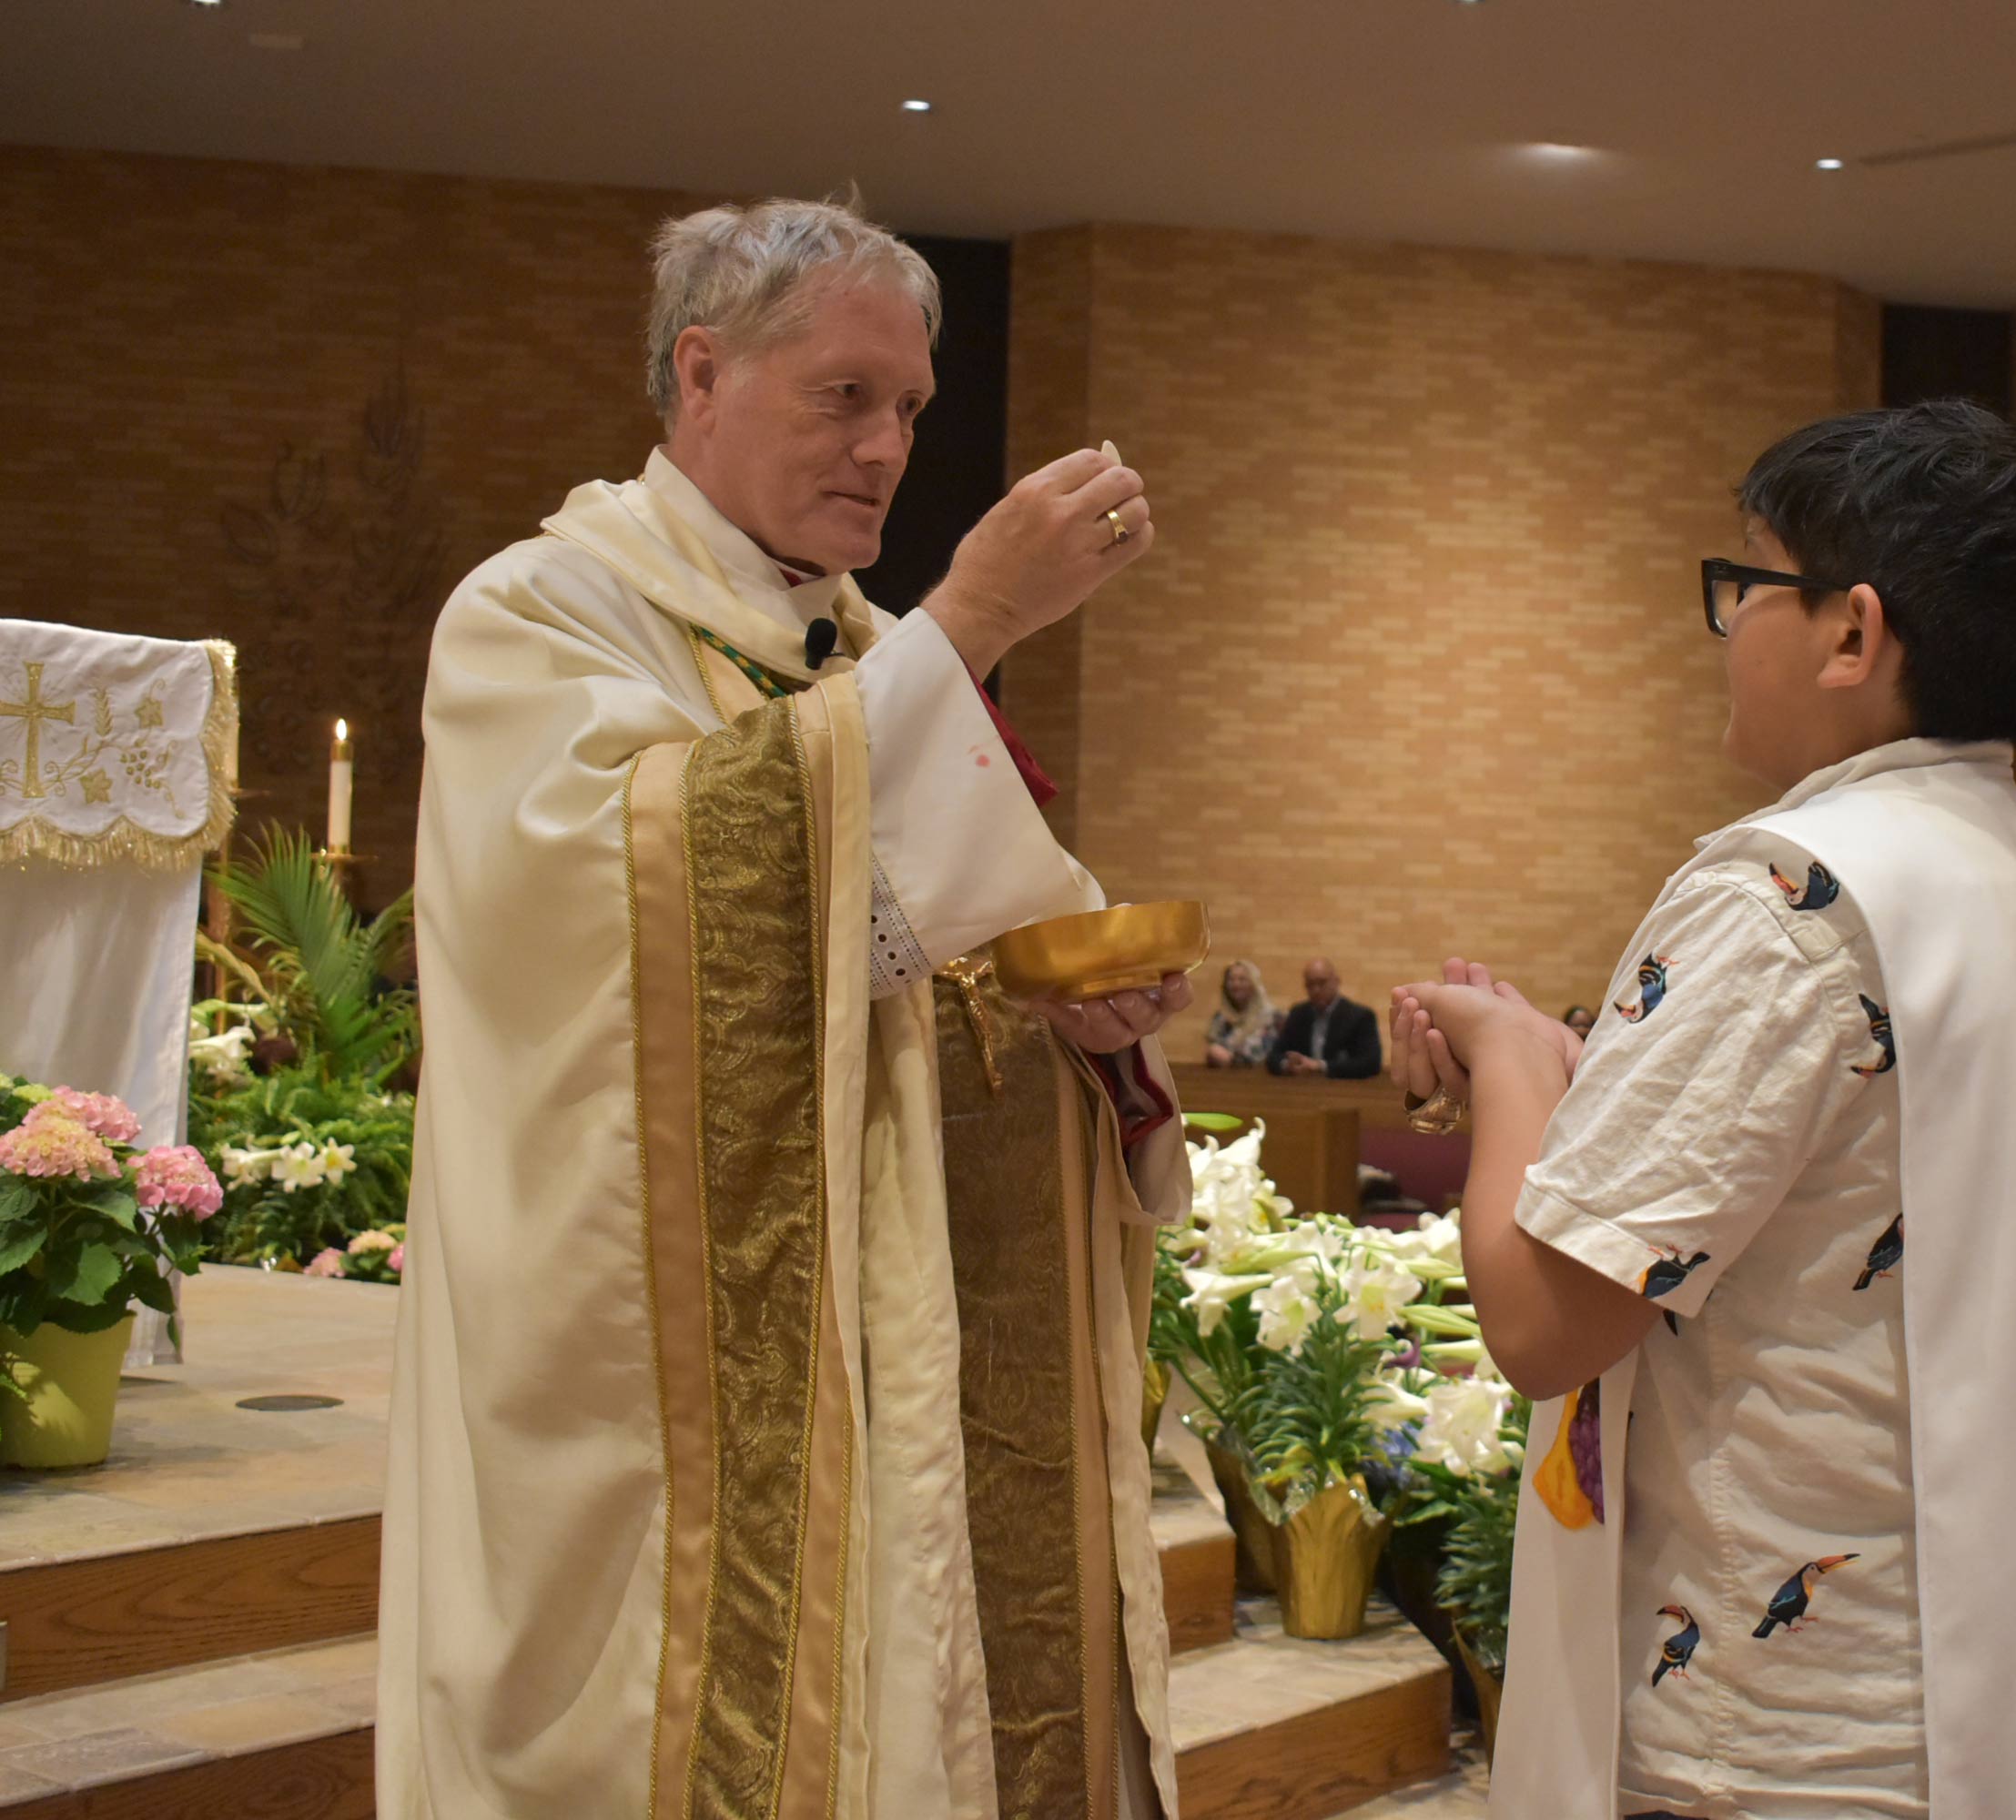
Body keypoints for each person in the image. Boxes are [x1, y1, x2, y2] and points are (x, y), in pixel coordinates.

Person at [380, 197, 1193, 1819]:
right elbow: (636, 928)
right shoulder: (542, 613)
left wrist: (1085, 1018)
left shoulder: (871, 655)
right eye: (843, 396)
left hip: (900, 1342)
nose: (886, 447)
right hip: (667, 1384)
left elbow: (935, 948)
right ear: (700, 374)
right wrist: (978, 619)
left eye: (910, 409)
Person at [1392, 400, 2016, 1816]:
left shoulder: (1789, 891)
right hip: (1955, 1682)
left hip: (1775, 1736)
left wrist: (1512, 1061)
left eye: (1747, 582)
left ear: (1851, 633)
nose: (1727, 627)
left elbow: (1542, 1322)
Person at [1268, 957, 1383, 1077]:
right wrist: (1287, 1064)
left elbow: (1371, 1063)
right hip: (1301, 1086)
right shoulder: (1298, 1014)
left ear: (1336, 982)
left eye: (1322, 983)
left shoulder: (1360, 1017)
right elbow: (1274, 1056)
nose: (1316, 990)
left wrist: (1321, 1066)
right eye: (1310, 985)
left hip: (1343, 1087)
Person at [1203, 958, 1282, 1067]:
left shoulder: (1273, 1018)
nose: (1236, 985)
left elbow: (1268, 1054)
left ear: (1254, 983)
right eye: (1231, 980)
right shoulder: (1221, 1019)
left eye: (1242, 979)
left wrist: (1231, 1060)